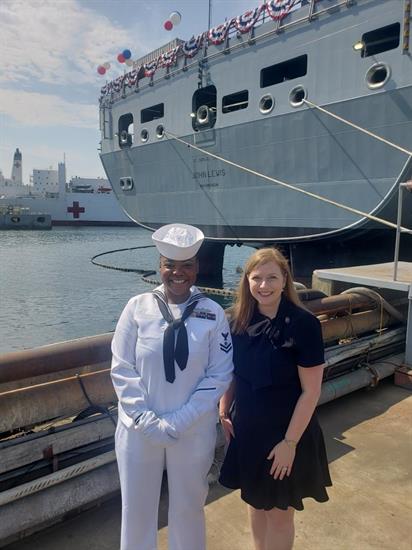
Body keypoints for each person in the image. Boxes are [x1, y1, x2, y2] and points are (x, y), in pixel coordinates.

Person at [111, 223, 233, 550]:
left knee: (189, 509)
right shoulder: (136, 308)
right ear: (159, 266)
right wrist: (145, 420)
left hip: (191, 431)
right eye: (170, 265)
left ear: (198, 268)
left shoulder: (212, 314)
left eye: (186, 266)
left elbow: (219, 374)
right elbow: (121, 368)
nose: (178, 273)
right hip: (139, 431)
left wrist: (180, 420)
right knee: (136, 512)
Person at [219, 247, 331, 550]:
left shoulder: (304, 325)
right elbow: (233, 372)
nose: (264, 286)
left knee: (280, 514)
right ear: (247, 281)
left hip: (286, 431)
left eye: (272, 277)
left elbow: (311, 391)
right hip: (249, 429)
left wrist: (289, 444)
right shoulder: (236, 321)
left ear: (285, 280)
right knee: (255, 503)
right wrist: (223, 408)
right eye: (257, 278)